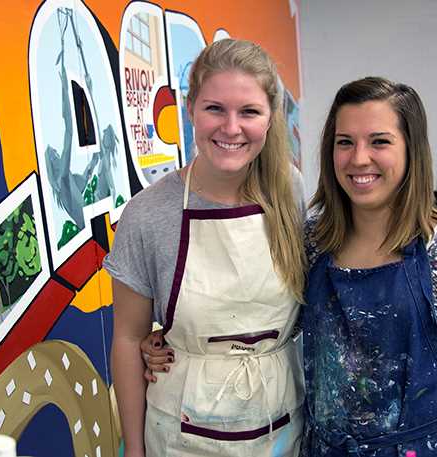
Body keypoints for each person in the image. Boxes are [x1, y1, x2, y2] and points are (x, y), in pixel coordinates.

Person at [144, 77, 437, 457]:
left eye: (380, 141)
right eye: (345, 142)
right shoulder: (312, 243)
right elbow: (267, 323)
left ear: (411, 150)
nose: (359, 159)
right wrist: (168, 344)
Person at [105, 38, 308, 457]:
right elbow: (128, 339)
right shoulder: (148, 214)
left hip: (282, 427)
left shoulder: (289, 189)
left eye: (249, 111)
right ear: (190, 109)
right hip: (181, 434)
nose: (231, 128)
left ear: (271, 118)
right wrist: (135, 451)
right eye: (215, 108)